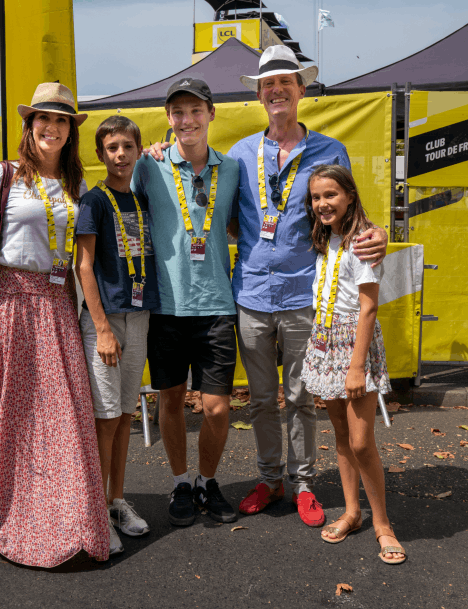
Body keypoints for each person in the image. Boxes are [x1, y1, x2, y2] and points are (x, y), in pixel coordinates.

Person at [0, 83, 110, 567]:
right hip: (11, 304)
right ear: (29, 126)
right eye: (43, 119)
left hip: (57, 306)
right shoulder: (5, 174)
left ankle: (67, 520)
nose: (51, 127)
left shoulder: (76, 185)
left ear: (70, 131)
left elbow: (81, 259)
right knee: (6, 413)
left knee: (63, 418)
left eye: (60, 120)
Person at [226, 46, 388, 527]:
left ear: (301, 90)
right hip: (252, 293)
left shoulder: (329, 150)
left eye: (286, 83)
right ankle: (270, 478)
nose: (276, 91)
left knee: (300, 398)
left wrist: (375, 232)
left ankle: (302, 484)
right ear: (259, 95)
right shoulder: (239, 154)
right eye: (268, 84)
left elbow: (348, 214)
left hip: (303, 295)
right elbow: (226, 214)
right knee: (259, 399)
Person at [132, 78, 240, 526]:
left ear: (211, 114)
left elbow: (241, 224)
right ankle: (180, 481)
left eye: (196, 110)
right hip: (166, 306)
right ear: (169, 119)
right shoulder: (147, 165)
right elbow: (125, 217)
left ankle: (206, 481)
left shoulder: (233, 170)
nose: (187, 120)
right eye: (178, 112)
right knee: (170, 401)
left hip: (216, 304)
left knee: (217, 407)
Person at [300, 164, 405, 565]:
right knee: (341, 437)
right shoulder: (325, 235)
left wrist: (357, 366)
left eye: (330, 195)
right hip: (324, 341)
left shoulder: (362, 241)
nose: (323, 203)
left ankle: (383, 524)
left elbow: (369, 307)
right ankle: (352, 512)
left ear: (349, 195)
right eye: (316, 197)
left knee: (362, 441)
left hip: (353, 346)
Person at [75, 116, 158, 554]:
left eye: (128, 146)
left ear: (138, 150)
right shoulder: (94, 201)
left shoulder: (142, 198)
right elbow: (83, 266)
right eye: (112, 148)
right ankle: (93, 511)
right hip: (105, 323)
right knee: (103, 418)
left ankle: (116, 501)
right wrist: (102, 326)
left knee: (125, 413)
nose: (120, 155)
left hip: (139, 316)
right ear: (100, 153)